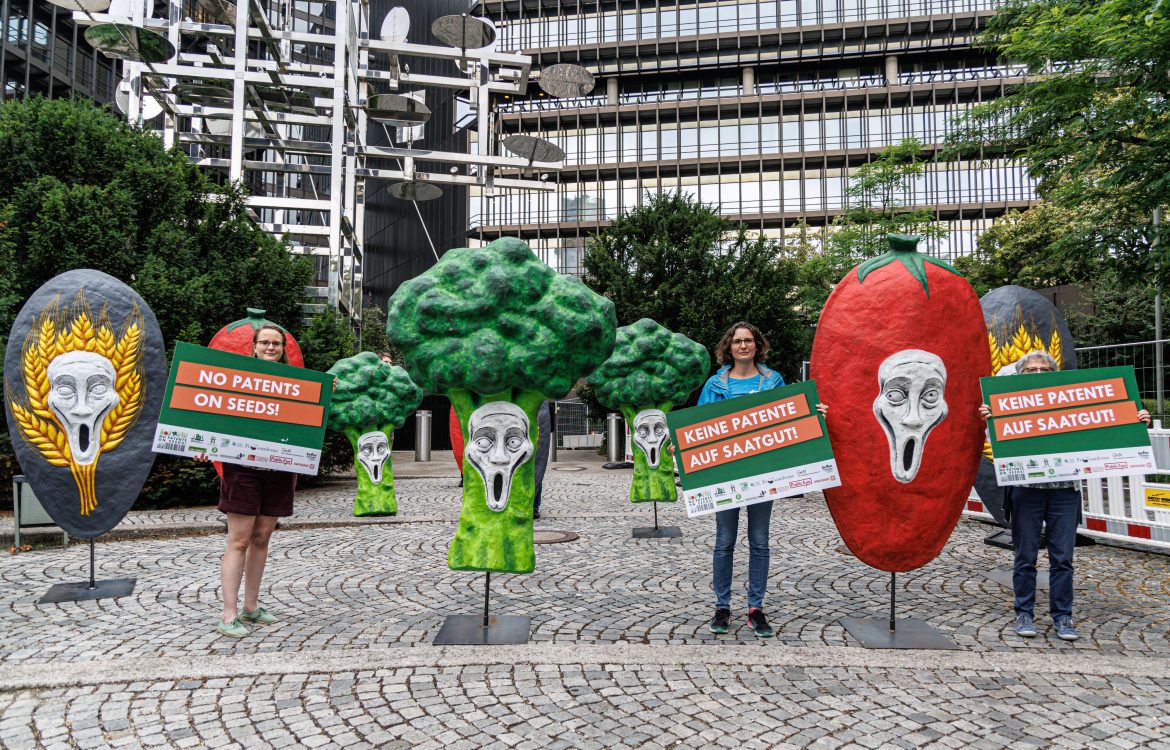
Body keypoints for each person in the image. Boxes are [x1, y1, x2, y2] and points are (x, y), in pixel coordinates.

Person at [979, 350, 1150, 641]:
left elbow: (1105, 423)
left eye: (1044, 370)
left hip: (1064, 494)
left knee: (1063, 559)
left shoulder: (1071, 404)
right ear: (1020, 376)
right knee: (1025, 557)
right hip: (1026, 493)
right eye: (1031, 370)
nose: (1037, 374)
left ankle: (1063, 617)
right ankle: (1024, 613)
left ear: (1054, 375)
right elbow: (993, 440)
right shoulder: (1007, 406)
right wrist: (990, 419)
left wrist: (1137, 420)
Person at [203, 324, 300, 638]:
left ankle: (251, 606)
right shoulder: (237, 379)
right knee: (239, 540)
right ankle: (228, 613)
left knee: (261, 539)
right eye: (265, 342)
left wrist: (327, 391)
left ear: (282, 349)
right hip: (243, 469)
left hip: (280, 470)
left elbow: (307, 420)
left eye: (276, 343)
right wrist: (203, 443)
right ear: (254, 346)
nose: (271, 347)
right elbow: (215, 412)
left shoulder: (295, 384)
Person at [698, 322, 788, 638]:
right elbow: (699, 428)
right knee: (724, 542)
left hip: (762, 473)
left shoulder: (773, 381)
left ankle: (755, 608)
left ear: (757, 345)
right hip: (726, 476)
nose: (743, 346)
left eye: (748, 340)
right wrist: (681, 445)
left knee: (760, 542)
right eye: (738, 341)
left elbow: (789, 418)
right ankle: (722, 607)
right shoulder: (715, 385)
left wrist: (814, 414)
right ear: (729, 347)